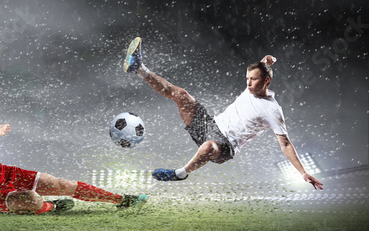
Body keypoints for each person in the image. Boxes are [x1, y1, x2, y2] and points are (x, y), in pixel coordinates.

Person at [122, 37, 323, 190]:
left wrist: (303, 173)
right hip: (211, 126)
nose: (248, 83)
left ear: (266, 82)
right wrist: (267, 61)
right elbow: (262, 67)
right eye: (247, 78)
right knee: (181, 95)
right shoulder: (252, 86)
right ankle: (139, 68)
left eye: (253, 80)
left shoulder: (273, 110)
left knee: (209, 146)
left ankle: (180, 174)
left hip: (226, 147)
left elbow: (285, 144)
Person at [0, 97, 148, 214]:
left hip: (7, 175)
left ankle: (121, 200)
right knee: (31, 199)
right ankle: (53, 206)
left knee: (61, 183)